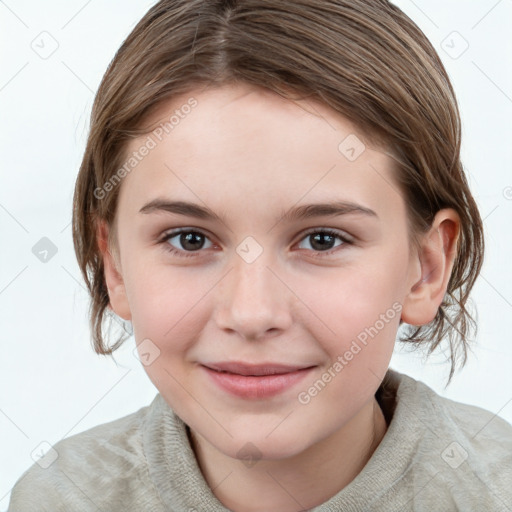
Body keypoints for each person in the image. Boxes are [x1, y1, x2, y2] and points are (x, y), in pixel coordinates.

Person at [8, 0, 512, 511]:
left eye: (323, 240)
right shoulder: (60, 498)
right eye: (189, 239)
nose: (251, 314)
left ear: (425, 269)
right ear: (115, 266)